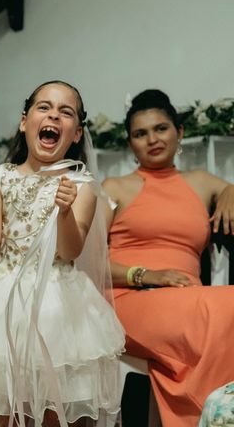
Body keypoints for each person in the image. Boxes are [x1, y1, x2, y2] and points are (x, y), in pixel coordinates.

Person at [0, 81, 125, 427]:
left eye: (65, 112)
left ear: (77, 133)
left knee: (54, 408)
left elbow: (70, 249)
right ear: (25, 122)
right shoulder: (0, 176)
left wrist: (64, 212)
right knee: (8, 409)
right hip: (2, 299)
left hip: (56, 306)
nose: (54, 114)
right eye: (44, 107)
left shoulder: (80, 184)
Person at [102, 89, 234, 427]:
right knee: (227, 304)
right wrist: (147, 275)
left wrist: (230, 192)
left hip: (186, 298)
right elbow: (87, 262)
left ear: (180, 132)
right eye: (140, 134)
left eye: (161, 128)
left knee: (217, 313)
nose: (152, 139)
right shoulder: (115, 187)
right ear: (130, 144)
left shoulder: (201, 182)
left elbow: (228, 189)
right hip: (129, 296)